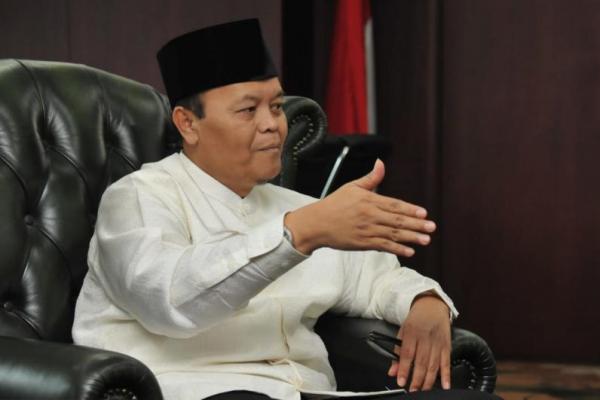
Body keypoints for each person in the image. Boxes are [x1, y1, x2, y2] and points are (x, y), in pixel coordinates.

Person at [72, 19, 499, 400]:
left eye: (276, 106)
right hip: (197, 391)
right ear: (188, 123)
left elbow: (376, 280)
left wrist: (424, 301)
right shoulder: (138, 199)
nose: (272, 125)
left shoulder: (298, 208)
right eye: (248, 110)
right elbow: (171, 300)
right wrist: (298, 235)